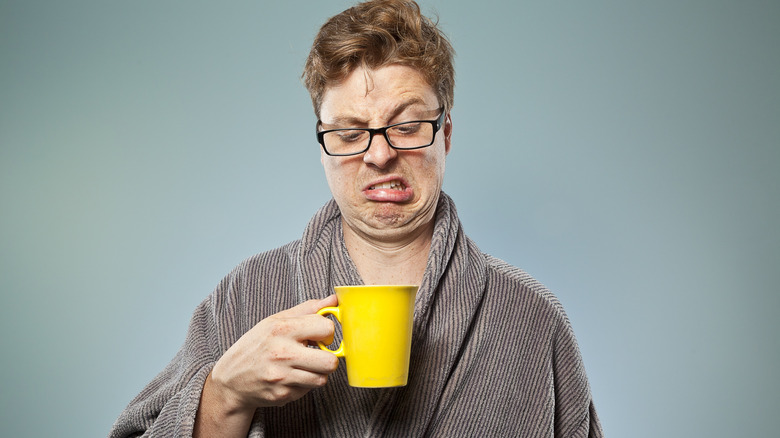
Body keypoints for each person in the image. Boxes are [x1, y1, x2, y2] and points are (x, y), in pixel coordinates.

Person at [109, 0, 602, 436]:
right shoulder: (244, 298)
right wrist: (223, 397)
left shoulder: (532, 318)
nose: (380, 155)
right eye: (349, 134)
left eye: (407, 126)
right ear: (322, 147)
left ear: (445, 134)